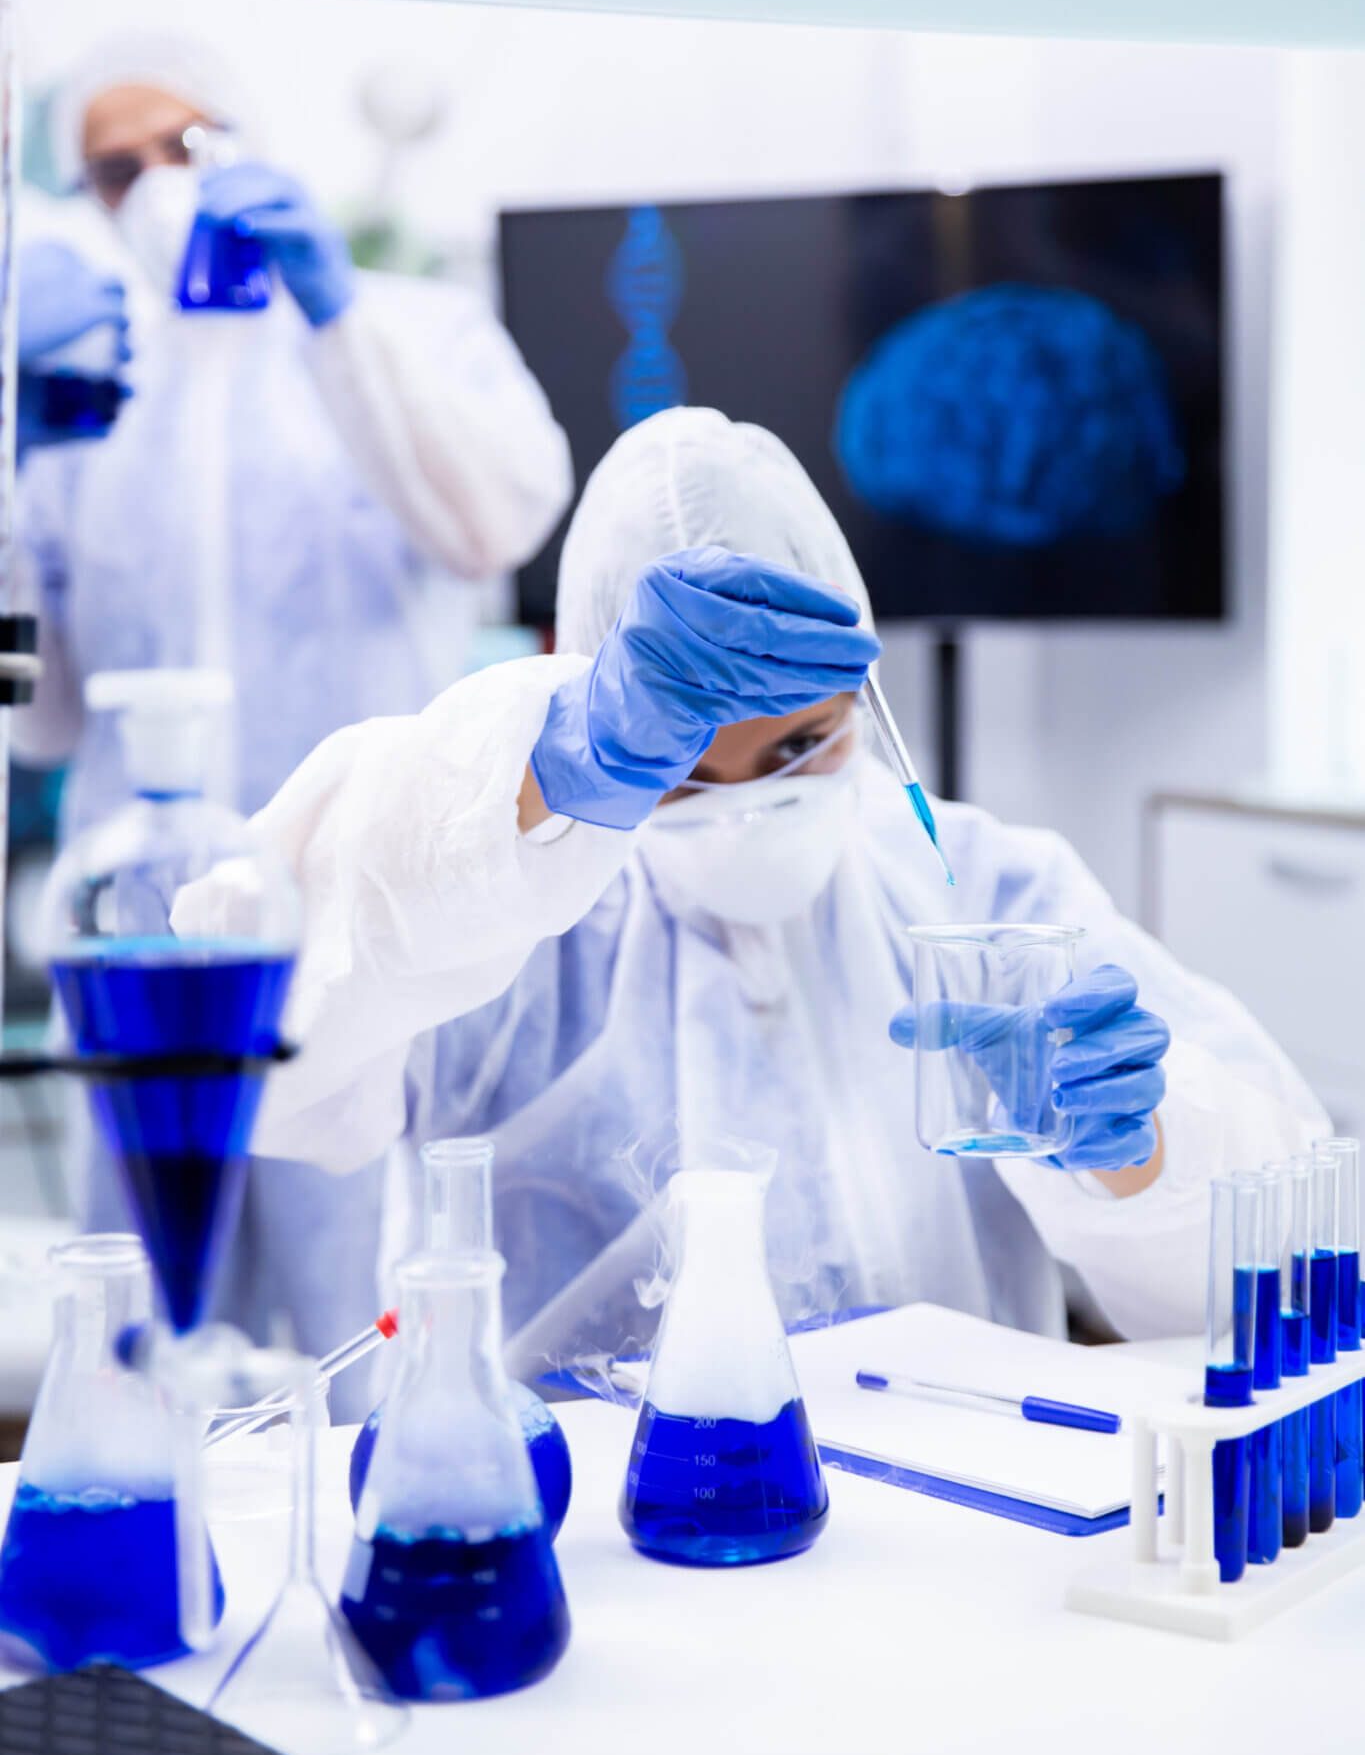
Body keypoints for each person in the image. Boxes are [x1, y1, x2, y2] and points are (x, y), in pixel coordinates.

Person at [188, 406, 1326, 1381]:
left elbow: (1268, 1281)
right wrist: (539, 773)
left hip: (957, 1536)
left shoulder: (982, 888)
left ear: (860, 693)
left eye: (798, 749)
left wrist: (1137, 1153)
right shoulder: (496, 897)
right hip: (573, 1545)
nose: (740, 808)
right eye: (679, 772)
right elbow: (240, 1034)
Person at [13, 36, 573, 1390]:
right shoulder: (90, 373)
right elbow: (35, 716)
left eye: (187, 144)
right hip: (144, 942)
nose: (155, 182)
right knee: (146, 1332)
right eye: (114, 167)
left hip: (369, 903)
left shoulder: (409, 325)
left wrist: (337, 318)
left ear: (250, 139)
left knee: (376, 1316)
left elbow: (499, 519)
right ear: (78, 199)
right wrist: (14, 456)